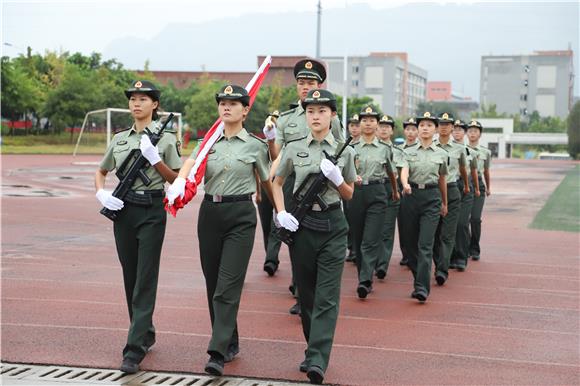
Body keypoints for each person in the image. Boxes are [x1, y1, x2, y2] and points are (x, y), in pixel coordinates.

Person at [166, 84, 273, 376]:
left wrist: (282, 214)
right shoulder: (209, 140)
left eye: (233, 103)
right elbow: (191, 162)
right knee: (213, 284)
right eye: (223, 103)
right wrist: (180, 181)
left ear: (245, 110)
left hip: (241, 215)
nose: (226, 107)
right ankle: (230, 339)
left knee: (227, 286)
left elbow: (269, 181)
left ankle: (217, 351)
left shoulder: (255, 145)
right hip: (210, 214)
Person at [94, 80, 182, 373]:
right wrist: (101, 192)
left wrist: (155, 160)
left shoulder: (167, 139)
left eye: (143, 99)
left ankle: (134, 349)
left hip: (152, 211)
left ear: (155, 105)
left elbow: (176, 180)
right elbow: (102, 170)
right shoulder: (119, 139)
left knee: (145, 277)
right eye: (133, 98)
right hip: (124, 210)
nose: (136, 103)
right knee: (130, 276)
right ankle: (144, 331)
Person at [272, 89, 356, 384]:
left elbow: (349, 193)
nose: (315, 116)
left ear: (332, 115)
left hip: (333, 225)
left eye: (321, 111)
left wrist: (337, 179)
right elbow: (277, 180)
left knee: (327, 297)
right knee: (305, 294)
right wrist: (281, 212)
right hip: (302, 225)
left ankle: (318, 358)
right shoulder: (294, 148)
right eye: (310, 111)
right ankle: (312, 348)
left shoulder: (346, 151)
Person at [262, 58, 344, 315]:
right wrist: (271, 139)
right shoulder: (286, 119)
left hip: (322, 188)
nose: (305, 87)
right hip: (291, 184)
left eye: (311, 82)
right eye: (301, 82)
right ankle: (301, 292)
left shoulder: (331, 116)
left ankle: (308, 290)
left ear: (320, 84)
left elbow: (341, 150)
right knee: (295, 239)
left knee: (316, 239)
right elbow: (278, 156)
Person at [349, 106, 398, 299]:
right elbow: (345, 173)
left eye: (372, 120)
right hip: (357, 193)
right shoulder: (351, 148)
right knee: (359, 239)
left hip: (378, 193)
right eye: (364, 120)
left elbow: (391, 173)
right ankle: (364, 274)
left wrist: (394, 192)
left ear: (377, 124)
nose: (368, 123)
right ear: (359, 124)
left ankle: (364, 280)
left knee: (370, 239)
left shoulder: (385, 149)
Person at [399, 112, 449, 303]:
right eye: (422, 125)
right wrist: (404, 184)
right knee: (409, 246)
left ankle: (421, 287)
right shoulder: (407, 151)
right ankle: (418, 278)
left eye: (429, 125)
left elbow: (442, 179)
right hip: (411, 197)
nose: (425, 128)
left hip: (432, 197)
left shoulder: (441, 154)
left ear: (435, 129)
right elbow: (404, 170)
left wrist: (445, 202)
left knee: (425, 245)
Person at [431, 112, 474, 285]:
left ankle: (442, 269)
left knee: (448, 234)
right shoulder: (429, 146)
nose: (444, 127)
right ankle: (438, 262)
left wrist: (466, 186)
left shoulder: (459, 149)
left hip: (452, 190)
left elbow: (463, 169)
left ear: (452, 128)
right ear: (436, 127)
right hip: (433, 192)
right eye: (440, 124)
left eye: (447, 124)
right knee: (433, 234)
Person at [375, 114, 405, 279]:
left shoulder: (397, 151)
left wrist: (398, 189)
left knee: (387, 228)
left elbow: (400, 172)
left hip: (391, 188)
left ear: (392, 131)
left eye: (387, 127)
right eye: (381, 126)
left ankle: (382, 264)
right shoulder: (371, 147)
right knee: (374, 228)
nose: (384, 129)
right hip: (375, 187)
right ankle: (372, 259)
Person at [450, 119, 480, 271]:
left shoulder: (471, 152)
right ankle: (450, 256)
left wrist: (475, 189)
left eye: (460, 129)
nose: (457, 132)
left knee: (462, 223)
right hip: (450, 186)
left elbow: (474, 172)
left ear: (465, 133)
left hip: (465, 187)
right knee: (450, 223)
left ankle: (461, 257)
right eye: (454, 129)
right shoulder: (445, 150)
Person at [466, 120, 491, 261]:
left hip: (479, 186)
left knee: (475, 218)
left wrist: (488, 187)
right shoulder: (461, 149)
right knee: (463, 220)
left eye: (475, 131)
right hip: (464, 183)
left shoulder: (485, 152)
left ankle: (474, 248)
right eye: (470, 131)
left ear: (480, 134)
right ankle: (465, 245)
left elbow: (486, 171)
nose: (472, 133)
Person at [397, 117, 420, 266]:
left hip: (416, 187)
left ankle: (416, 251)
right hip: (401, 188)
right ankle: (405, 253)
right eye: (408, 129)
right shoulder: (399, 149)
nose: (410, 132)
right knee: (403, 222)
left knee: (416, 223)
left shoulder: (421, 147)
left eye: (413, 129)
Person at [345, 113, 361, 262]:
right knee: (349, 218)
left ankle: (357, 249)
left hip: (362, 188)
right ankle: (351, 248)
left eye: (357, 125)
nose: (354, 129)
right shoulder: (345, 145)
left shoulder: (364, 144)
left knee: (358, 220)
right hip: (347, 186)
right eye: (352, 126)